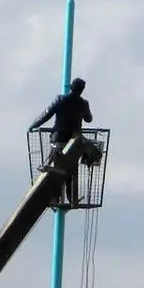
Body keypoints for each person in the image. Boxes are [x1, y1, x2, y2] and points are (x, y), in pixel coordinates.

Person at [29, 77, 92, 205]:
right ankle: (72, 198)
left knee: (55, 168)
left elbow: (46, 114)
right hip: (73, 142)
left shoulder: (60, 99)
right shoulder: (83, 103)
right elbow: (88, 119)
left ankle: (54, 197)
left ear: (70, 87)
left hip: (58, 139)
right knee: (71, 170)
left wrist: (33, 125)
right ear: (82, 90)